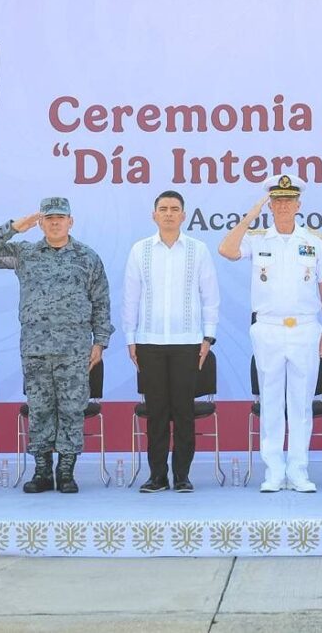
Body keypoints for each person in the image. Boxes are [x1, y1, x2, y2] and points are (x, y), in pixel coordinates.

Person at [0, 197, 113, 494]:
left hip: (74, 350)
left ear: (70, 222)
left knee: (72, 410)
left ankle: (66, 472)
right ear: (40, 223)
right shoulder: (25, 254)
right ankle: (41, 471)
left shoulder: (87, 257)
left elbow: (101, 301)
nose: (55, 222)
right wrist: (15, 227)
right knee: (39, 410)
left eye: (60, 217)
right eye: (49, 218)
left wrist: (100, 342)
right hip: (36, 349)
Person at [218, 174, 322, 493]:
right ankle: (273, 471)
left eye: (289, 200)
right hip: (268, 328)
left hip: (305, 328)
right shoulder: (257, 239)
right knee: (270, 401)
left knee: (301, 403)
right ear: (270, 205)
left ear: (299, 205)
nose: (283, 206)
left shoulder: (314, 242)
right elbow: (226, 249)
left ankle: (298, 471)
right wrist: (251, 215)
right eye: (277, 201)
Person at [123, 190, 220, 493]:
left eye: (174, 209)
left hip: (187, 342)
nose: (168, 213)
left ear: (183, 215)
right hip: (149, 341)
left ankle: (182, 476)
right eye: (163, 208)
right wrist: (130, 337)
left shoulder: (198, 250)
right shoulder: (140, 250)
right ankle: (157, 476)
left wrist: (208, 336)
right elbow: (131, 296)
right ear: (154, 215)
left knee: (183, 412)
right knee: (156, 413)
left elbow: (210, 296)